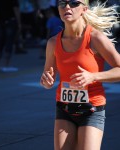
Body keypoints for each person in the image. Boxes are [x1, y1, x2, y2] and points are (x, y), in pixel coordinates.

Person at [40, 0, 120, 150]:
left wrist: (93, 76)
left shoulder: (95, 39)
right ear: (58, 9)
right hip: (64, 108)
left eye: (74, 3)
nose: (67, 7)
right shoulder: (53, 43)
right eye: (62, 3)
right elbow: (47, 78)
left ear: (84, 9)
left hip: (92, 109)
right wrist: (46, 81)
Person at [0, 0, 21, 72]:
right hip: (10, 19)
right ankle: (6, 65)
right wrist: (19, 22)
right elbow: (15, 9)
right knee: (9, 41)